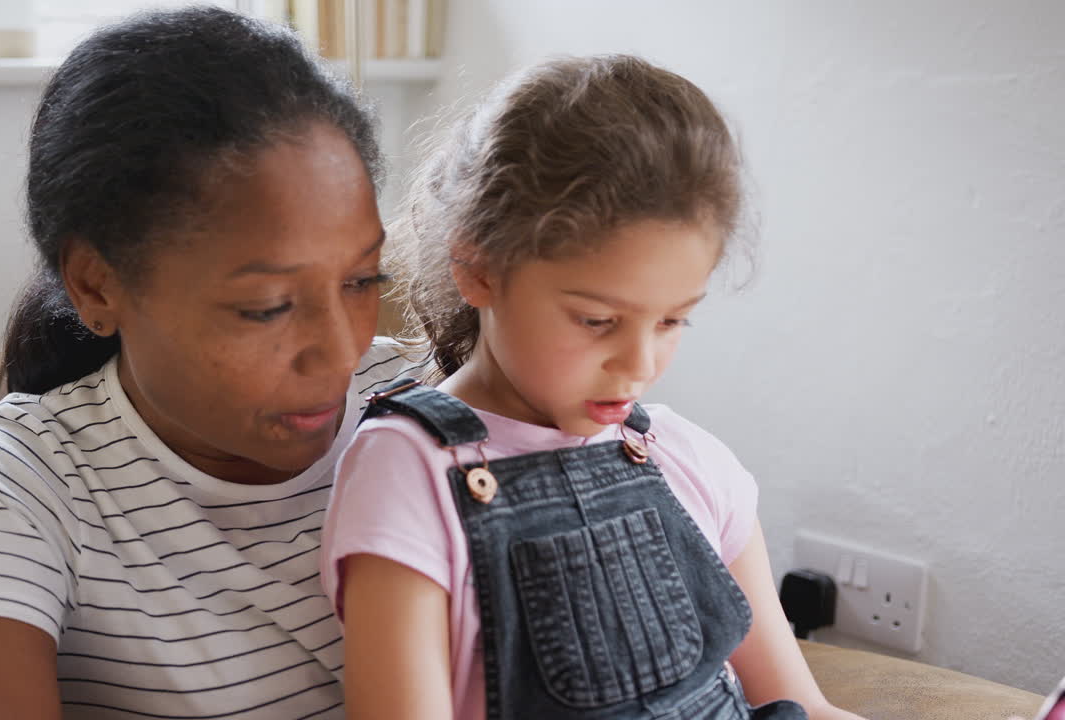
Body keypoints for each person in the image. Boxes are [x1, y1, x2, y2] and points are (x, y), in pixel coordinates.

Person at [0, 7, 426, 719]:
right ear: (97, 285)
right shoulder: (15, 485)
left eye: (362, 281)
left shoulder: (431, 408)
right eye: (267, 308)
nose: (340, 353)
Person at [321, 55, 867, 720]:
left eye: (672, 321)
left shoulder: (686, 458)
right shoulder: (407, 471)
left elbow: (799, 704)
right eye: (597, 321)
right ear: (479, 268)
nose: (639, 364)